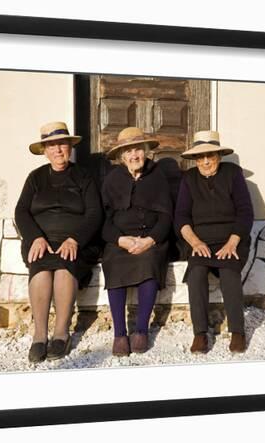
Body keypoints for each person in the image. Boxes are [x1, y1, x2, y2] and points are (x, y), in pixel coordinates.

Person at [15, 122, 103, 363]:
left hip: (77, 242)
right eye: (51, 145)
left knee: (65, 267)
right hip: (41, 241)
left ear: (70, 147)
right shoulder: (35, 178)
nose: (58, 149)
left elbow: (95, 213)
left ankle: (61, 333)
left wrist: (75, 239)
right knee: (42, 270)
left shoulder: (84, 177)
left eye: (62, 144)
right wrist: (35, 237)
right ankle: (40, 335)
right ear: (45, 150)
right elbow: (21, 211)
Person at [174, 130, 254, 354]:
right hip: (201, 241)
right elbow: (180, 216)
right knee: (197, 272)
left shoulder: (232, 173)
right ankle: (200, 333)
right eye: (201, 157)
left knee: (229, 271)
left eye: (211, 155)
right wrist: (194, 242)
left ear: (219, 156)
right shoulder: (189, 179)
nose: (206, 161)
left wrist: (232, 243)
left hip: (231, 238)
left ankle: (237, 331)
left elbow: (245, 212)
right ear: (195, 159)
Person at [101, 127, 173, 356]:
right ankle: (120, 334)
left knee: (150, 261)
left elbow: (166, 216)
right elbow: (103, 219)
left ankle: (141, 330)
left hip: (150, 239)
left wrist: (150, 240)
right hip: (121, 240)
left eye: (138, 150)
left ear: (145, 152)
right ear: (122, 157)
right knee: (113, 261)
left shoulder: (157, 176)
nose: (134, 155)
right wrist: (120, 239)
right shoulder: (112, 179)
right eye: (129, 151)